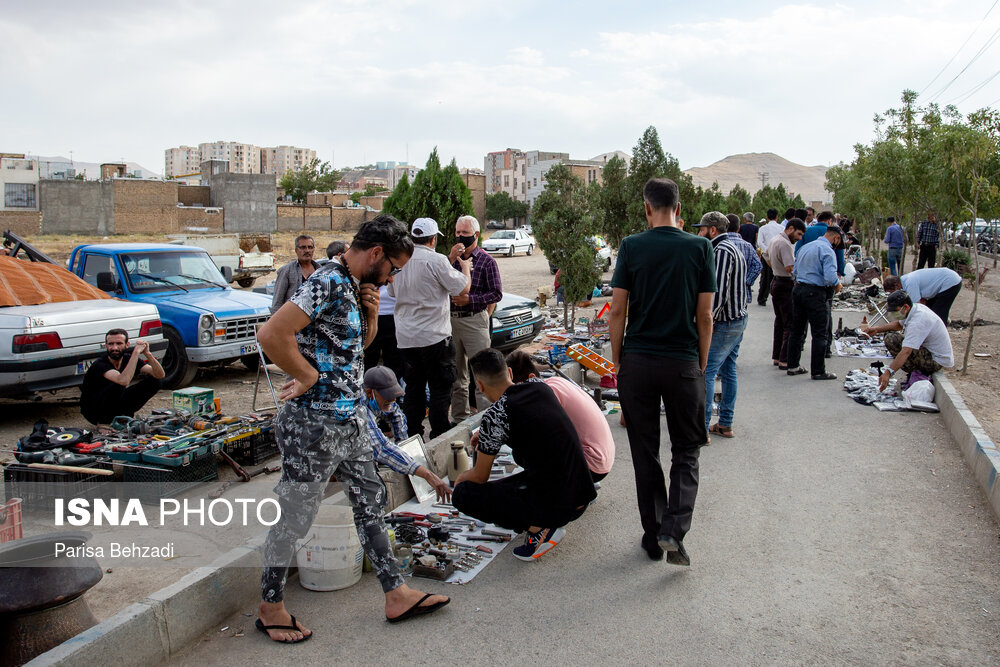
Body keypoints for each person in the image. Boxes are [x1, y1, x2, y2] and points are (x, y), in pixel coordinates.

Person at [256, 216, 448, 643]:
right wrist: (305, 375)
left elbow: (347, 350)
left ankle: (395, 593)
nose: (394, 277)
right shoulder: (326, 281)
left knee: (370, 501)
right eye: (393, 268)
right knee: (295, 516)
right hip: (313, 425)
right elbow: (271, 334)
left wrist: (373, 317)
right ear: (376, 254)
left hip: (351, 419)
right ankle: (270, 606)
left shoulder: (355, 285)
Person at [609, 178, 715, 566]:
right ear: (679, 207)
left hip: (638, 362)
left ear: (647, 208)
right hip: (683, 361)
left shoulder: (632, 246)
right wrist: (701, 364)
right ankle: (674, 528)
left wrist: (619, 362)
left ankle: (653, 537)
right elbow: (705, 315)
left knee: (645, 452)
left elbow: (617, 311)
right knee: (687, 450)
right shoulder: (701, 247)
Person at [452, 349, 596, 561]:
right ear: (509, 373)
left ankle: (540, 529)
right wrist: (487, 436)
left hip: (561, 507)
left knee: (464, 494)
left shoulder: (496, 415)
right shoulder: (540, 387)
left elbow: (480, 476)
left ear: (480, 386)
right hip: (582, 493)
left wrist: (461, 478)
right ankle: (541, 516)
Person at [390, 218, 471, 439]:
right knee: (440, 388)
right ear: (433, 239)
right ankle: (439, 433)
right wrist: (465, 269)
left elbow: (392, 292)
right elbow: (462, 289)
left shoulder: (401, 261)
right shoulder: (436, 260)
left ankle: (413, 434)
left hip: (407, 340)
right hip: (434, 338)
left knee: (413, 389)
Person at [506, 350, 614, 485]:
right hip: (602, 459)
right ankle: (578, 485)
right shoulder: (555, 381)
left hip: (592, 467)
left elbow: (536, 435)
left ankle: (573, 492)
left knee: (523, 450)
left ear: (532, 377)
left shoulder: (546, 394)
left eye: (519, 389)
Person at [362, 366, 450, 501]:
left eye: (394, 396)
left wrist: (402, 446)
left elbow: (396, 415)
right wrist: (426, 474)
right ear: (369, 393)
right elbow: (382, 449)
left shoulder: (381, 400)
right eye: (387, 397)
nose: (391, 401)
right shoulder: (360, 411)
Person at [696, 212, 748, 439]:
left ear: (713, 230)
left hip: (725, 323)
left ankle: (702, 428)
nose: (699, 233)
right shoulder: (735, 247)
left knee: (706, 371)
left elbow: (717, 294)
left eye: (702, 229)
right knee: (728, 371)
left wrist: (708, 322)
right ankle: (725, 424)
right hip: (736, 320)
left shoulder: (721, 251)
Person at [449, 215, 502, 422]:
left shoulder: (487, 261)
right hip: (451, 321)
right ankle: (460, 419)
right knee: (457, 376)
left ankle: (486, 421)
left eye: (465, 233)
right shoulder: (450, 261)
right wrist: (451, 260)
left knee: (482, 374)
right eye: (457, 233)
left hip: (474, 320)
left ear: (476, 235)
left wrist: (469, 299)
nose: (460, 237)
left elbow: (496, 293)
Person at [862, 290, 954, 391]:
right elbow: (898, 325)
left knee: (892, 339)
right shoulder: (915, 309)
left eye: (895, 311)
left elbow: (906, 351)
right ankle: (914, 374)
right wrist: (876, 329)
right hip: (930, 353)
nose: (893, 314)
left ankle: (917, 373)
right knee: (891, 336)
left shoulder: (918, 321)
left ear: (905, 307)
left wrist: (888, 373)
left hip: (936, 361)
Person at [786, 225, 844, 380]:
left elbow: (795, 271)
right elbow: (830, 277)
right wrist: (838, 285)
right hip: (815, 293)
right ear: (836, 238)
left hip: (799, 290)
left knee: (797, 330)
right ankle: (818, 371)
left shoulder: (806, 247)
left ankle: (792, 366)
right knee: (819, 333)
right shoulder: (827, 251)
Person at [80, 329, 165, 425]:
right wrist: (136, 353)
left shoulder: (128, 358)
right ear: (106, 346)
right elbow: (123, 380)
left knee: (156, 381)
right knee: (119, 384)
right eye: (110, 344)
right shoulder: (100, 364)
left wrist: (148, 354)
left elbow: (160, 375)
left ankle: (124, 416)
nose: (114, 348)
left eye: (119, 343)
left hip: (113, 403)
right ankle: (104, 422)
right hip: (94, 410)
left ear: (127, 345)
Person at [796, 211, 846, 358]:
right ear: (830, 221)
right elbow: (837, 263)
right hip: (820, 288)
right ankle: (825, 351)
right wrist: (839, 278)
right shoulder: (830, 244)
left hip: (801, 285)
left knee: (799, 325)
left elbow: (797, 253)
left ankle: (799, 348)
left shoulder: (807, 233)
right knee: (823, 323)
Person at [766, 218, 807, 369]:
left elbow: (765, 256)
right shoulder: (784, 244)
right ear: (790, 229)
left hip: (776, 281)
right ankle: (785, 359)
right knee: (789, 323)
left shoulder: (774, 240)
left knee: (780, 322)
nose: (799, 238)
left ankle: (777, 356)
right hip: (785, 284)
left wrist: (776, 268)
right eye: (799, 234)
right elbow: (790, 267)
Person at [882, 268, 962, 325]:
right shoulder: (904, 281)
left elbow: (917, 307)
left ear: (896, 285)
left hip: (950, 282)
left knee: (938, 313)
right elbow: (923, 302)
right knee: (931, 310)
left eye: (891, 291)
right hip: (944, 281)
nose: (893, 293)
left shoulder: (910, 283)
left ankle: (939, 333)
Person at [363, 284, 405, 385]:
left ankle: (387, 395)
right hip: (381, 314)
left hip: (388, 314)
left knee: (372, 361)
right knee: (391, 364)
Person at [271, 235, 320, 313]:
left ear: (314, 249)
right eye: (303, 247)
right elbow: (277, 302)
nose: (307, 250)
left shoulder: (320, 271)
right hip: (292, 319)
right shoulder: (286, 271)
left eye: (310, 247)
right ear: (296, 250)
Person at [726, 213, 761, 302]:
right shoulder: (748, 246)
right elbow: (758, 265)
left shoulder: (719, 244)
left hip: (724, 292)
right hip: (742, 293)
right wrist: (747, 281)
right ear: (738, 229)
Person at [756, 208, 783, 306]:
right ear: (777, 217)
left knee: (765, 278)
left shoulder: (763, 228)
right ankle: (779, 298)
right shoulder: (782, 228)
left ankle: (762, 298)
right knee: (779, 277)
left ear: (767, 217)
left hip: (766, 256)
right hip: (778, 256)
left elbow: (759, 242)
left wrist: (767, 250)